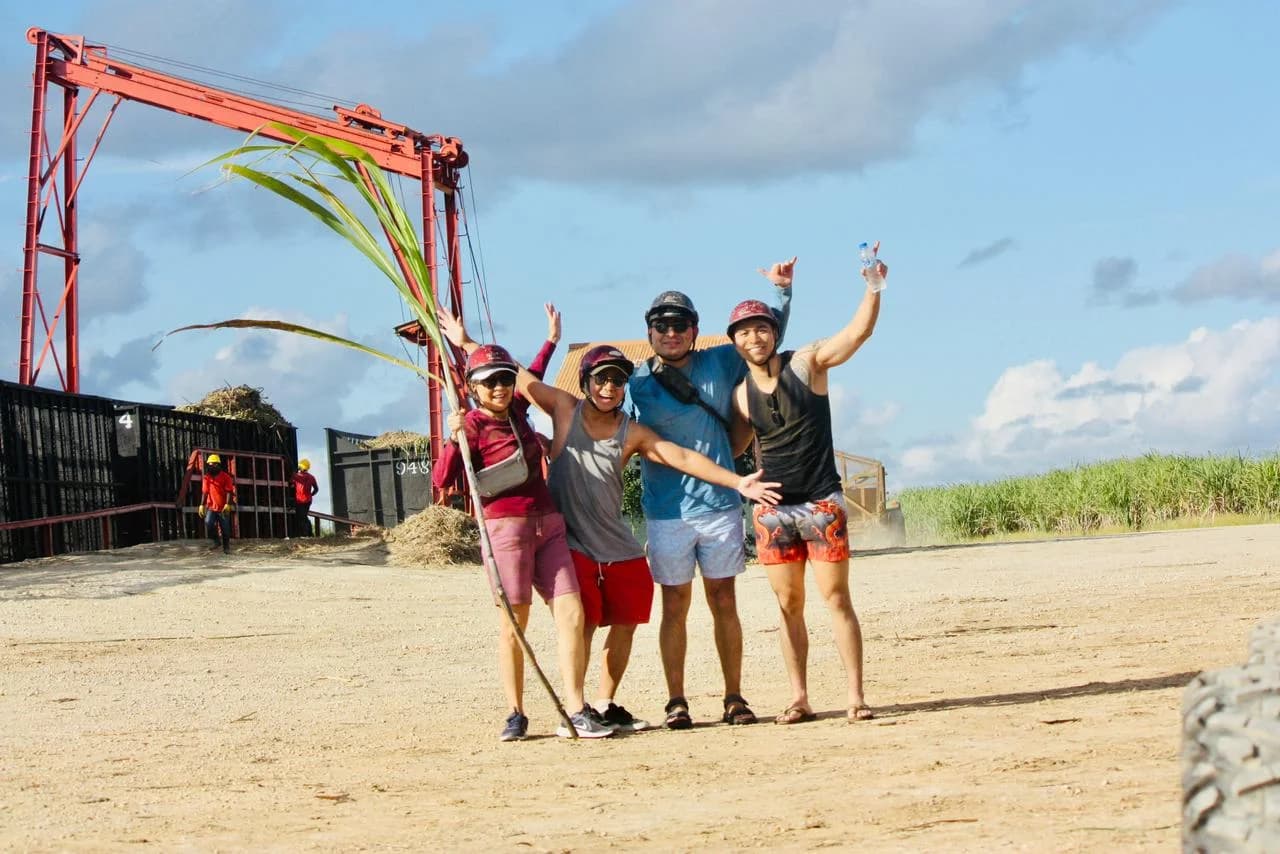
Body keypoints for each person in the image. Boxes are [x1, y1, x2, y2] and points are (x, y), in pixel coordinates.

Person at [442, 329, 783, 733]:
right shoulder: (565, 410)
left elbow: (680, 456)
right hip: (569, 538)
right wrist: (468, 344)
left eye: (618, 380)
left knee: (628, 618)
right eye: (600, 378)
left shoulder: (631, 432)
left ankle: (603, 702)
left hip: (614, 539)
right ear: (585, 382)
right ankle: (575, 706)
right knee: (579, 620)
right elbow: (520, 378)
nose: (608, 387)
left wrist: (737, 481)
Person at [627, 261, 794, 729]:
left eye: (680, 325)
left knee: (724, 601)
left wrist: (781, 293)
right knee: (674, 605)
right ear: (649, 331)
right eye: (662, 325)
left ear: (695, 330)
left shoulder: (720, 360)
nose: (671, 333)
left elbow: (764, 340)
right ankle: (676, 701)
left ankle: (734, 697)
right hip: (666, 512)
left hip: (721, 505)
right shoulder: (634, 381)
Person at [728, 245, 887, 724]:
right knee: (788, 605)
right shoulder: (740, 396)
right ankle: (799, 697)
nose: (754, 337)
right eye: (744, 332)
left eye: (761, 328)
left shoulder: (808, 363)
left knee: (837, 599)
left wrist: (873, 286)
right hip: (773, 513)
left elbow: (857, 334)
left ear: (774, 333)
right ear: (735, 343)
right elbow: (732, 450)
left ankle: (856, 696)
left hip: (821, 502)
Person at [431, 336, 613, 743]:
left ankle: (576, 708)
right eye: (489, 381)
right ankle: (516, 713)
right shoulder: (471, 426)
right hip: (505, 531)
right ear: (473, 387)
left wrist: (550, 342)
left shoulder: (516, 410)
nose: (499, 387)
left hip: (548, 525)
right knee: (514, 624)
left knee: (572, 613)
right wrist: (452, 439)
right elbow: (442, 480)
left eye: (505, 379)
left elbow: (535, 375)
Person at [199, 453, 237, 555]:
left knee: (225, 529)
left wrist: (227, 504)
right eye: (209, 465)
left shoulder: (226, 477)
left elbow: (229, 491)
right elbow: (205, 492)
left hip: (223, 507)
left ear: (217, 465)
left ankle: (226, 548)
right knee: (208, 523)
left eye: (212, 465)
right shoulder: (207, 478)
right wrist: (201, 505)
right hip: (211, 507)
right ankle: (216, 541)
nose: (210, 467)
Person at [290, 459, 319, 536]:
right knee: (304, 516)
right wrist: (311, 495)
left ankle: (305, 534)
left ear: (300, 467)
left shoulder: (296, 476)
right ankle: (308, 534)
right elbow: (316, 489)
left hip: (299, 501)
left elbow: (290, 484)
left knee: (301, 518)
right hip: (308, 501)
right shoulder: (312, 477)